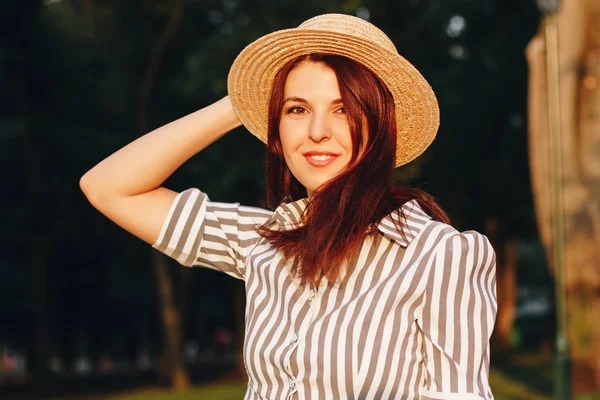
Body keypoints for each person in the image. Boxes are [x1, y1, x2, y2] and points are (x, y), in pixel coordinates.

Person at [81, 13, 497, 400]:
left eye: (344, 109)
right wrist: (240, 103)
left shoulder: (441, 254)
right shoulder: (262, 241)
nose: (318, 131)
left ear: (379, 125)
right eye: (297, 109)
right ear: (275, 130)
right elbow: (108, 187)